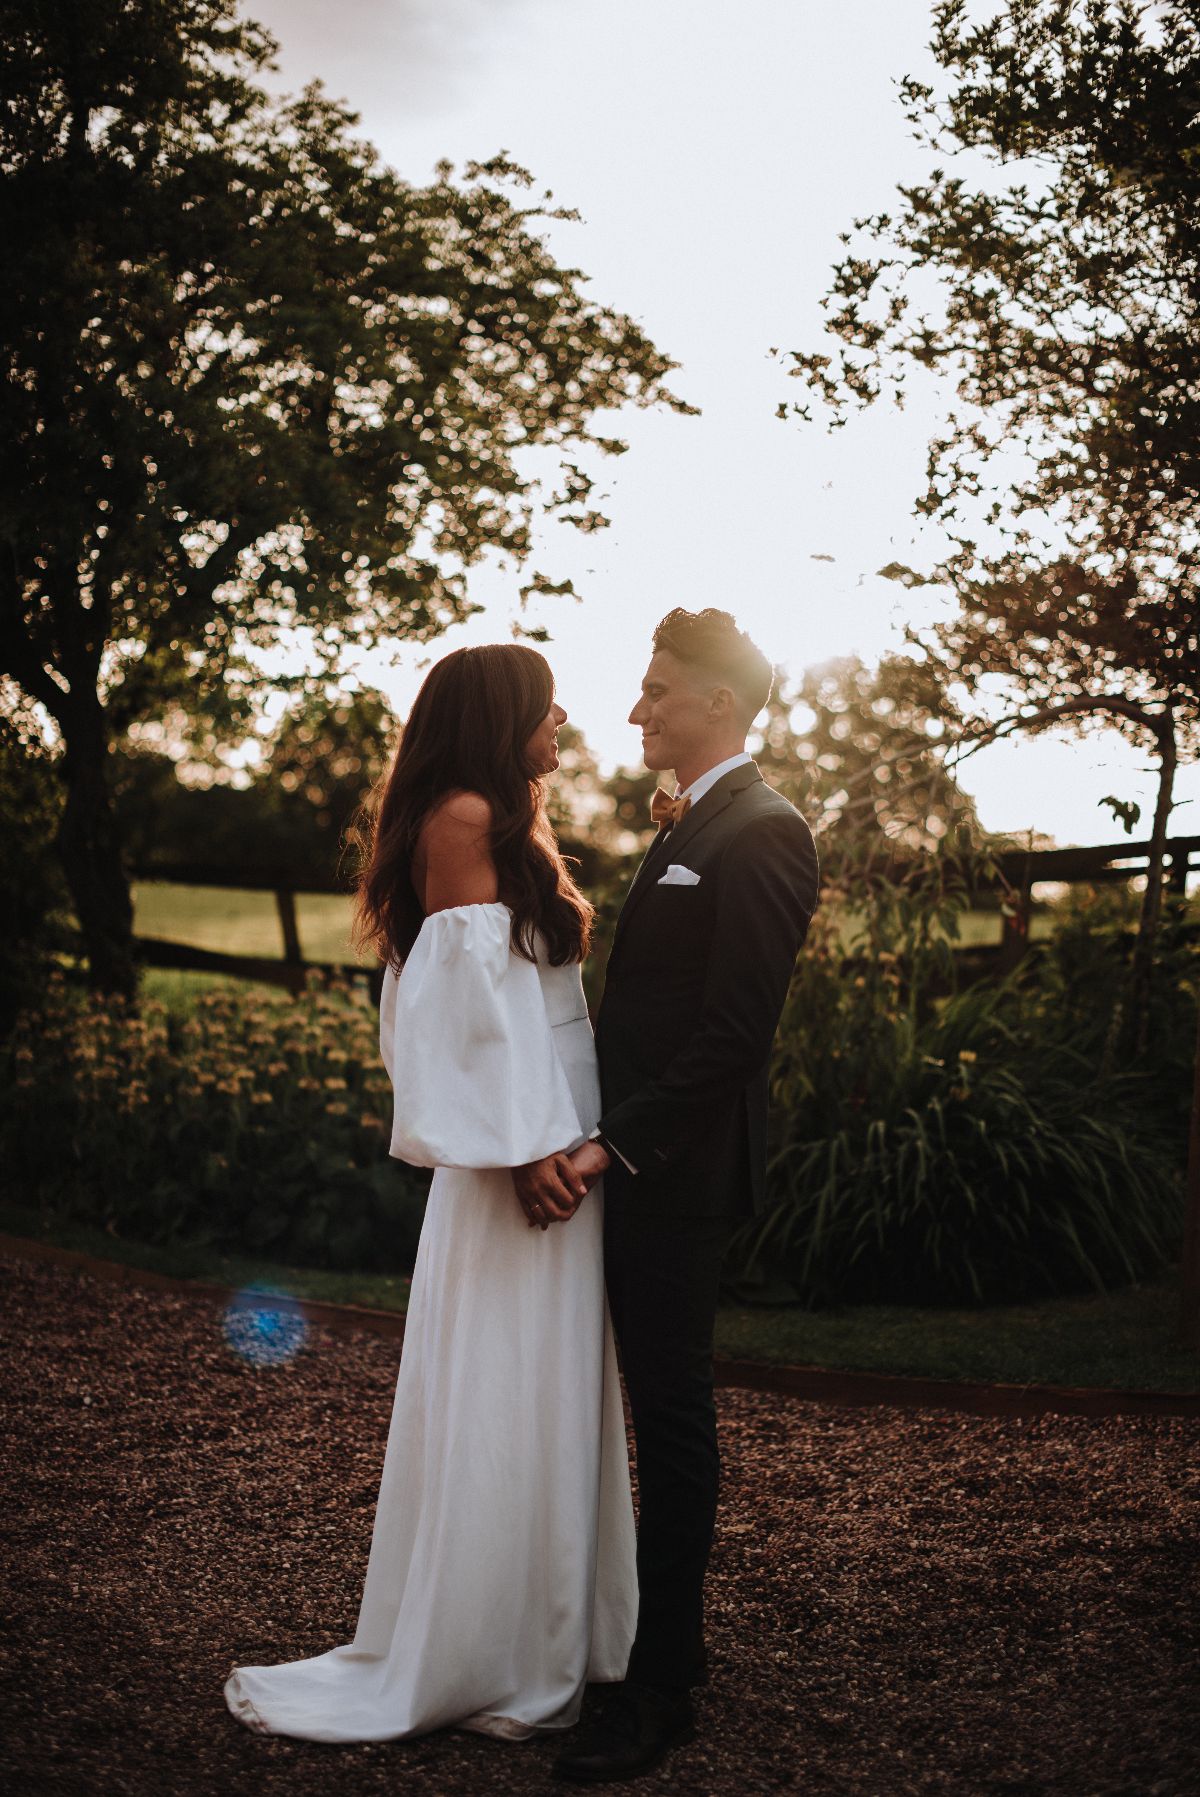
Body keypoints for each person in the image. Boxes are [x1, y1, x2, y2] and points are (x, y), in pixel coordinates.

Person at [224, 644, 637, 1744]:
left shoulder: (509, 815)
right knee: (506, 1392)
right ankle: (489, 1645)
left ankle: (550, 1632)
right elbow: (457, 1013)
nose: (564, 717)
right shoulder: (461, 817)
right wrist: (519, 1151)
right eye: (546, 704)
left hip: (555, 1140)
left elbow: (520, 1003)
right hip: (520, 1161)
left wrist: (573, 1133)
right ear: (499, 716)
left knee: (544, 1388)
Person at [546, 608, 820, 1784]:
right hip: (633, 1163)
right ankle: (612, 1639)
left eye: (655, 689)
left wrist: (613, 1148)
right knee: (643, 1408)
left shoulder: (764, 832)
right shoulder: (695, 820)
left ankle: (664, 1688)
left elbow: (730, 1038)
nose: (635, 709)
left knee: (672, 1417)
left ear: (716, 699)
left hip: (675, 1175)